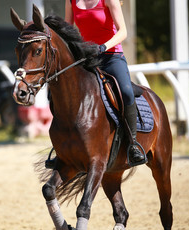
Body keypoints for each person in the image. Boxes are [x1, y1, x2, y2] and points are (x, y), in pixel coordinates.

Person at [45, 0, 144, 169]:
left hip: (111, 56)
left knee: (126, 92)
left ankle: (133, 144)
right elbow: (67, 31)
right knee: (56, 93)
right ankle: (61, 147)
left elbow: (123, 32)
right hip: (86, 57)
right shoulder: (71, 1)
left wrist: (103, 47)